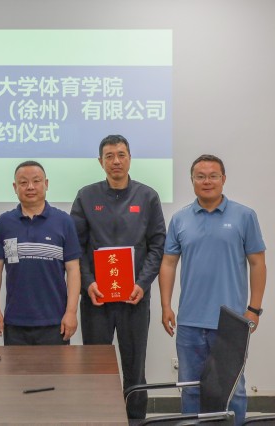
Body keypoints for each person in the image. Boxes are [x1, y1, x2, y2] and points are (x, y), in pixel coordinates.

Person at [159, 154, 266, 425]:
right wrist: (166, 306)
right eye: (200, 176)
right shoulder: (180, 219)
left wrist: (254, 309)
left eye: (213, 176)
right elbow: (168, 263)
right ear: (192, 180)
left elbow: (257, 263)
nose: (207, 181)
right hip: (189, 321)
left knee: (234, 390)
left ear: (223, 179)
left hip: (232, 322)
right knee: (191, 389)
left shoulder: (244, 216)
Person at [70, 134, 165, 419]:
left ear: (130, 159)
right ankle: (98, 420)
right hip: (96, 299)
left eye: (121, 155)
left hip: (135, 298)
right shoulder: (86, 196)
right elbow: (76, 247)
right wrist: (88, 283)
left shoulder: (147, 196)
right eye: (109, 156)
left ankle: (135, 420)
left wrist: (142, 283)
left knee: (135, 368)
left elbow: (157, 245)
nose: (116, 161)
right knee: (96, 368)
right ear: (100, 161)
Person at [0, 160, 80, 345]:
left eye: (36, 181)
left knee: (56, 366)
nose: (30, 187)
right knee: (16, 366)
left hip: (55, 321)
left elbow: (73, 270)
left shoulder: (64, 221)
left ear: (46, 184)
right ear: (15, 187)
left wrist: (71, 312)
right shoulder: (4, 223)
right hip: (15, 321)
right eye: (23, 182)